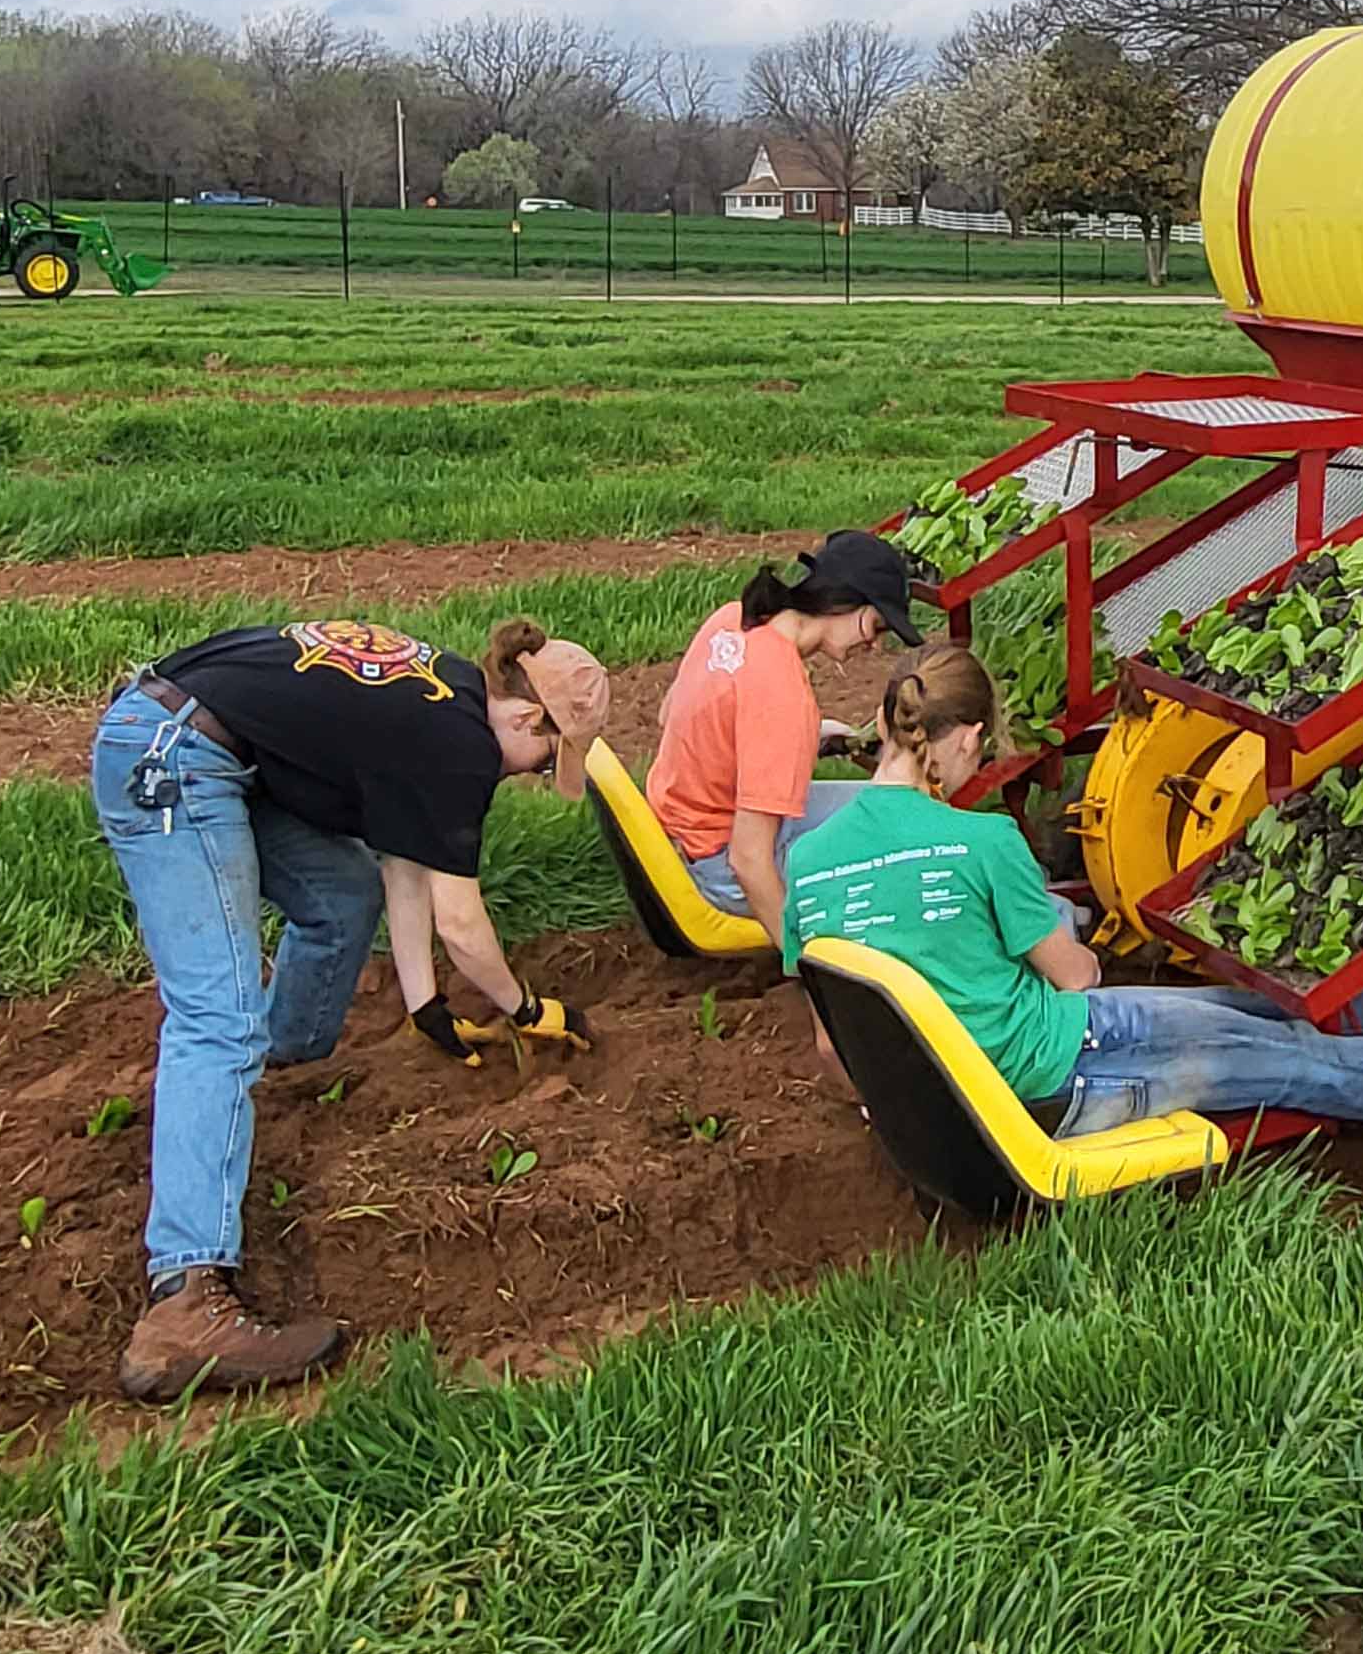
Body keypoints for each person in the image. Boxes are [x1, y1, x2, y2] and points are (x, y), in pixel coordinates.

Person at [90, 611, 611, 1401]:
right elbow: (462, 923)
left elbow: (403, 861)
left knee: (340, 894)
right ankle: (184, 1302)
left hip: (204, 740)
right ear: (528, 716)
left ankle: (285, 1066)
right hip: (173, 759)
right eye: (546, 759)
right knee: (215, 1019)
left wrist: (425, 1003)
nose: (536, 774)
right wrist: (526, 1006)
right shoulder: (461, 745)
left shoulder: (445, 700)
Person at [780, 648, 1363, 1139]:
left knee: (1221, 1009)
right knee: (1283, 1063)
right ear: (965, 736)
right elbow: (1077, 976)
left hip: (1000, 1072)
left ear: (880, 727)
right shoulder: (982, 842)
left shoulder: (807, 861)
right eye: (982, 745)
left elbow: (829, 1046)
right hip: (1056, 1079)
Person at [645, 529, 920, 931]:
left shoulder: (732, 619)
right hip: (720, 868)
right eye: (877, 627)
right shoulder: (785, 697)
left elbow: (672, 715)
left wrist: (807, 735)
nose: (875, 645)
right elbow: (749, 861)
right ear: (844, 603)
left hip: (681, 833)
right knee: (900, 865)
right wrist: (799, 960)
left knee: (900, 809)